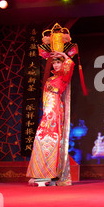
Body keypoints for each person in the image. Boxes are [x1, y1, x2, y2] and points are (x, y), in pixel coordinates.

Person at [27, 50, 75, 186]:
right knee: (41, 137)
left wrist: (65, 56)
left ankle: (49, 174)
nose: (56, 65)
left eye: (58, 62)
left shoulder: (64, 77)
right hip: (48, 111)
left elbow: (70, 65)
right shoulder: (50, 79)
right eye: (54, 63)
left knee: (51, 139)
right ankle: (43, 173)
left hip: (55, 112)